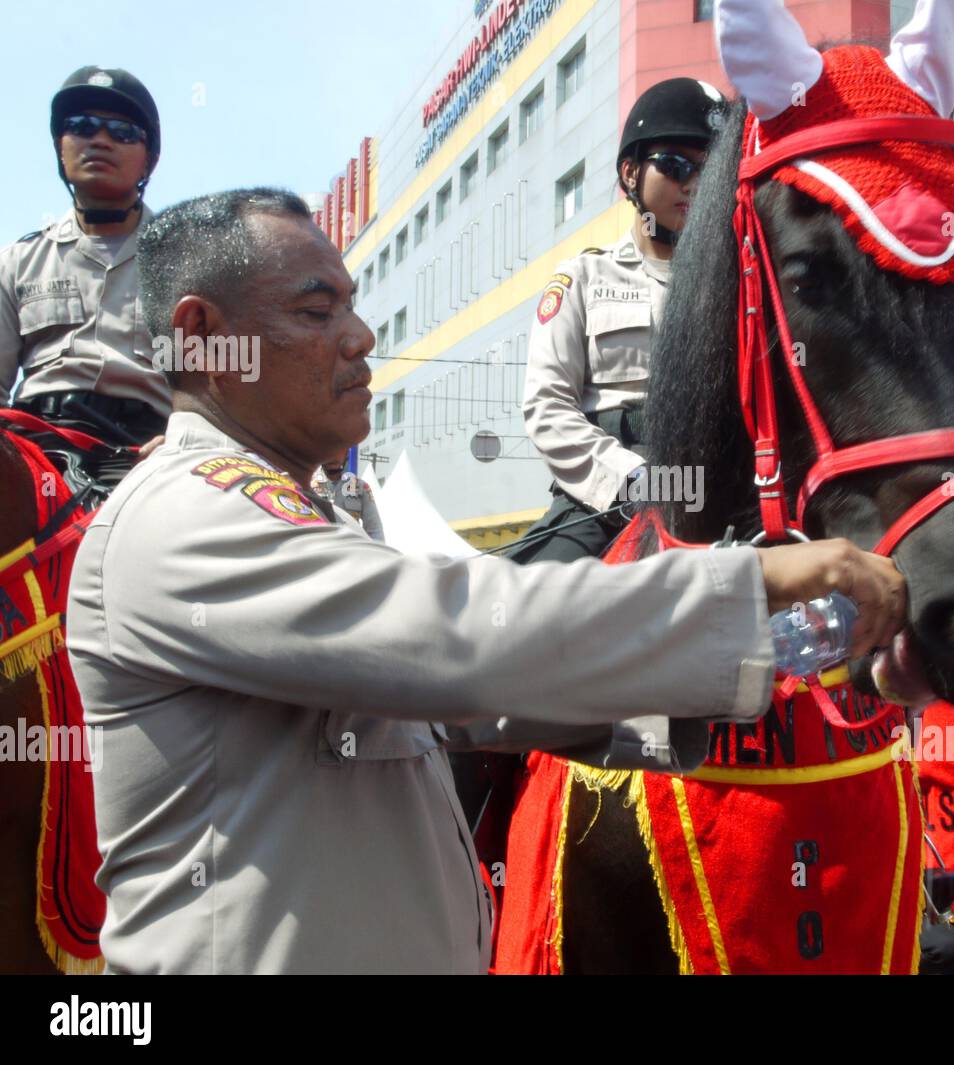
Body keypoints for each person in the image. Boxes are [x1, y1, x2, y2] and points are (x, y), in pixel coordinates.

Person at [64, 188, 908, 974]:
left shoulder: (308, 511)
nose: (360, 336)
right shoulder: (189, 513)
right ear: (205, 334)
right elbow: (455, 636)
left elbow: (450, 710)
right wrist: (750, 584)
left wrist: (754, 679)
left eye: (353, 305)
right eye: (318, 311)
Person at [512, 78, 724, 563]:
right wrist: (636, 482)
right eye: (676, 165)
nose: (693, 184)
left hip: (719, 493)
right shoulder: (582, 278)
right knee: (532, 614)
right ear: (630, 173)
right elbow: (547, 407)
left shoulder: (742, 284)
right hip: (605, 500)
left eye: (710, 172)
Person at [0, 66, 169, 447]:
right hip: (35, 446)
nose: (101, 141)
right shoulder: (16, 264)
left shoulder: (188, 263)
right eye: (82, 126)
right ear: (61, 146)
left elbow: (225, 384)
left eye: (123, 132)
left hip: (150, 453)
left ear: (149, 160)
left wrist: (183, 446)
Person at [311, 450, 385, 541]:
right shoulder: (307, 486)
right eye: (329, 449)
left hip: (351, 550)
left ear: (346, 454)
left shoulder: (360, 487)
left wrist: (376, 553)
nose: (333, 455)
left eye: (339, 449)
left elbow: (375, 531)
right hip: (318, 549)